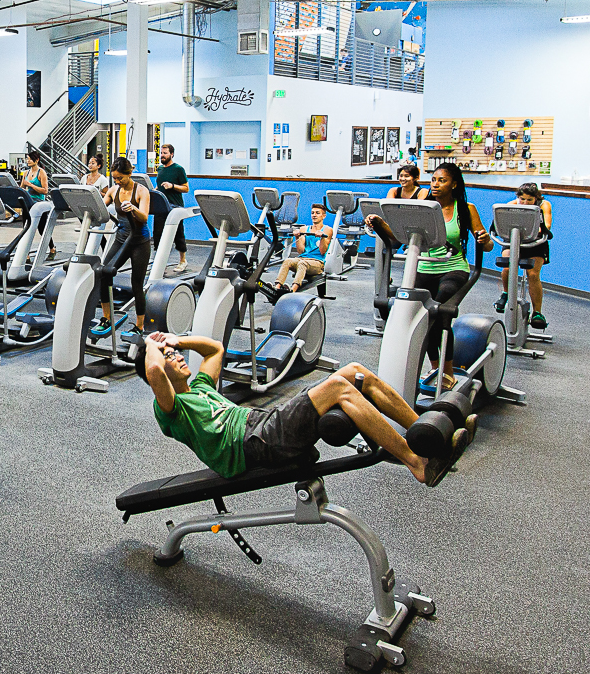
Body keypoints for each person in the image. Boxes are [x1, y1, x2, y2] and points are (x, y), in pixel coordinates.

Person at [137, 333, 469, 487]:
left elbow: (215, 349)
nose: (176, 357)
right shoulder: (171, 409)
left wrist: (177, 339)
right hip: (253, 444)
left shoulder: (200, 387)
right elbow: (153, 371)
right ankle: (416, 463)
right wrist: (151, 345)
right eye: (169, 357)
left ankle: (428, 434)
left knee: (356, 372)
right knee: (338, 386)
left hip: (262, 425)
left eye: (174, 353)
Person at [367, 162, 492, 390]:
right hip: (423, 268)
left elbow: (487, 244)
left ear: (454, 184)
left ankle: (448, 372)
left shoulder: (466, 208)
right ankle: (436, 367)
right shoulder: (422, 208)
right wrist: (379, 223)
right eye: (433, 180)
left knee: (438, 311)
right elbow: (398, 239)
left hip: (453, 268)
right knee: (413, 313)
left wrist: (484, 240)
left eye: (442, 180)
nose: (435, 184)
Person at [101, 156, 151, 333]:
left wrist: (133, 208)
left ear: (129, 173)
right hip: (121, 239)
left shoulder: (141, 191)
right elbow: (100, 208)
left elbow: (144, 217)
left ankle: (139, 326)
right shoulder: (114, 190)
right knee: (103, 273)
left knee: (136, 284)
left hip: (139, 242)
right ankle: (107, 318)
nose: (117, 181)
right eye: (114, 178)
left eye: (120, 178)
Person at [495, 182, 552, 329]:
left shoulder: (544, 205)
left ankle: (537, 312)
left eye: (529, 200)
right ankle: (506, 294)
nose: (525, 203)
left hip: (536, 242)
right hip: (514, 240)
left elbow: (547, 225)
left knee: (533, 274)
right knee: (507, 267)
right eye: (522, 199)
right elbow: (499, 223)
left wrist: (538, 230)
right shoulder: (511, 205)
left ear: (536, 198)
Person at [273, 202, 331, 293]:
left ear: (323, 216)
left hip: (317, 263)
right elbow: (301, 251)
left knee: (302, 263)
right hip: (303, 259)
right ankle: (277, 287)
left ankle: (293, 290)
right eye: (312, 213)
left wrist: (322, 238)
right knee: (287, 261)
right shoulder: (304, 229)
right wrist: (297, 237)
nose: (314, 215)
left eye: (317, 213)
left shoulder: (327, 230)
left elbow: (323, 251)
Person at [153, 143, 189, 272]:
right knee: (157, 234)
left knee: (178, 234)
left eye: (165, 153)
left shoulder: (178, 169)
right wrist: (154, 191)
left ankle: (183, 261)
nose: (162, 155)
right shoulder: (160, 169)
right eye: (161, 153)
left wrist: (172, 186)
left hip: (175, 207)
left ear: (171, 154)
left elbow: (186, 188)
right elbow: (160, 186)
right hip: (161, 207)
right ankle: (159, 262)